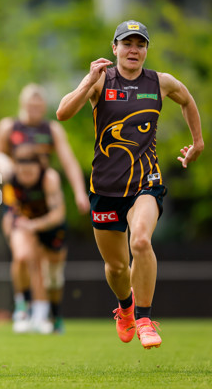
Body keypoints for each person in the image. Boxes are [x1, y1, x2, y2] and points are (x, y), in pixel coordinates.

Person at [56, 20, 204, 349]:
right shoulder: (100, 80)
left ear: (146, 50)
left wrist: (197, 142)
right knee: (117, 266)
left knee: (140, 242)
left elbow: (187, 100)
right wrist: (87, 83)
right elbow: (63, 113)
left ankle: (145, 320)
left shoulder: (160, 82)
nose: (133, 49)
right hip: (106, 187)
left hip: (145, 183)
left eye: (140, 44)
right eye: (127, 43)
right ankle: (125, 307)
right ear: (115, 48)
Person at [0, 83, 87, 333]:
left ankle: (42, 312)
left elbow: (68, 160)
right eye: (31, 103)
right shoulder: (8, 127)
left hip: (44, 201)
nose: (35, 108)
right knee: (24, 256)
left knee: (46, 266)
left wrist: (81, 192)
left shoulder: (52, 129)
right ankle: (25, 308)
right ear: (22, 104)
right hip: (17, 201)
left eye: (40, 104)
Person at [0, 146, 67, 334]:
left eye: (31, 171)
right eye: (23, 172)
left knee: (53, 277)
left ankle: (55, 316)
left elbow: (58, 214)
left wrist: (36, 225)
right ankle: (23, 309)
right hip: (22, 221)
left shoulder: (49, 178)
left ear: (39, 168)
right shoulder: (10, 173)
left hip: (49, 227)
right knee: (21, 256)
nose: (26, 176)